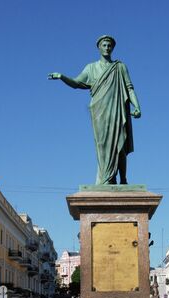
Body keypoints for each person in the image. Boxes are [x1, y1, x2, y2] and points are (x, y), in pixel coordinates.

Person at [49, 35, 141, 185]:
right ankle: (107, 178)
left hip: (117, 110)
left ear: (112, 48)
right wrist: (62, 77)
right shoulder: (91, 68)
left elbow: (129, 88)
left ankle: (123, 179)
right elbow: (76, 82)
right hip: (100, 112)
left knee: (120, 145)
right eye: (104, 45)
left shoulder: (120, 67)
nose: (107, 48)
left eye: (109, 45)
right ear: (99, 48)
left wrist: (137, 106)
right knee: (103, 146)